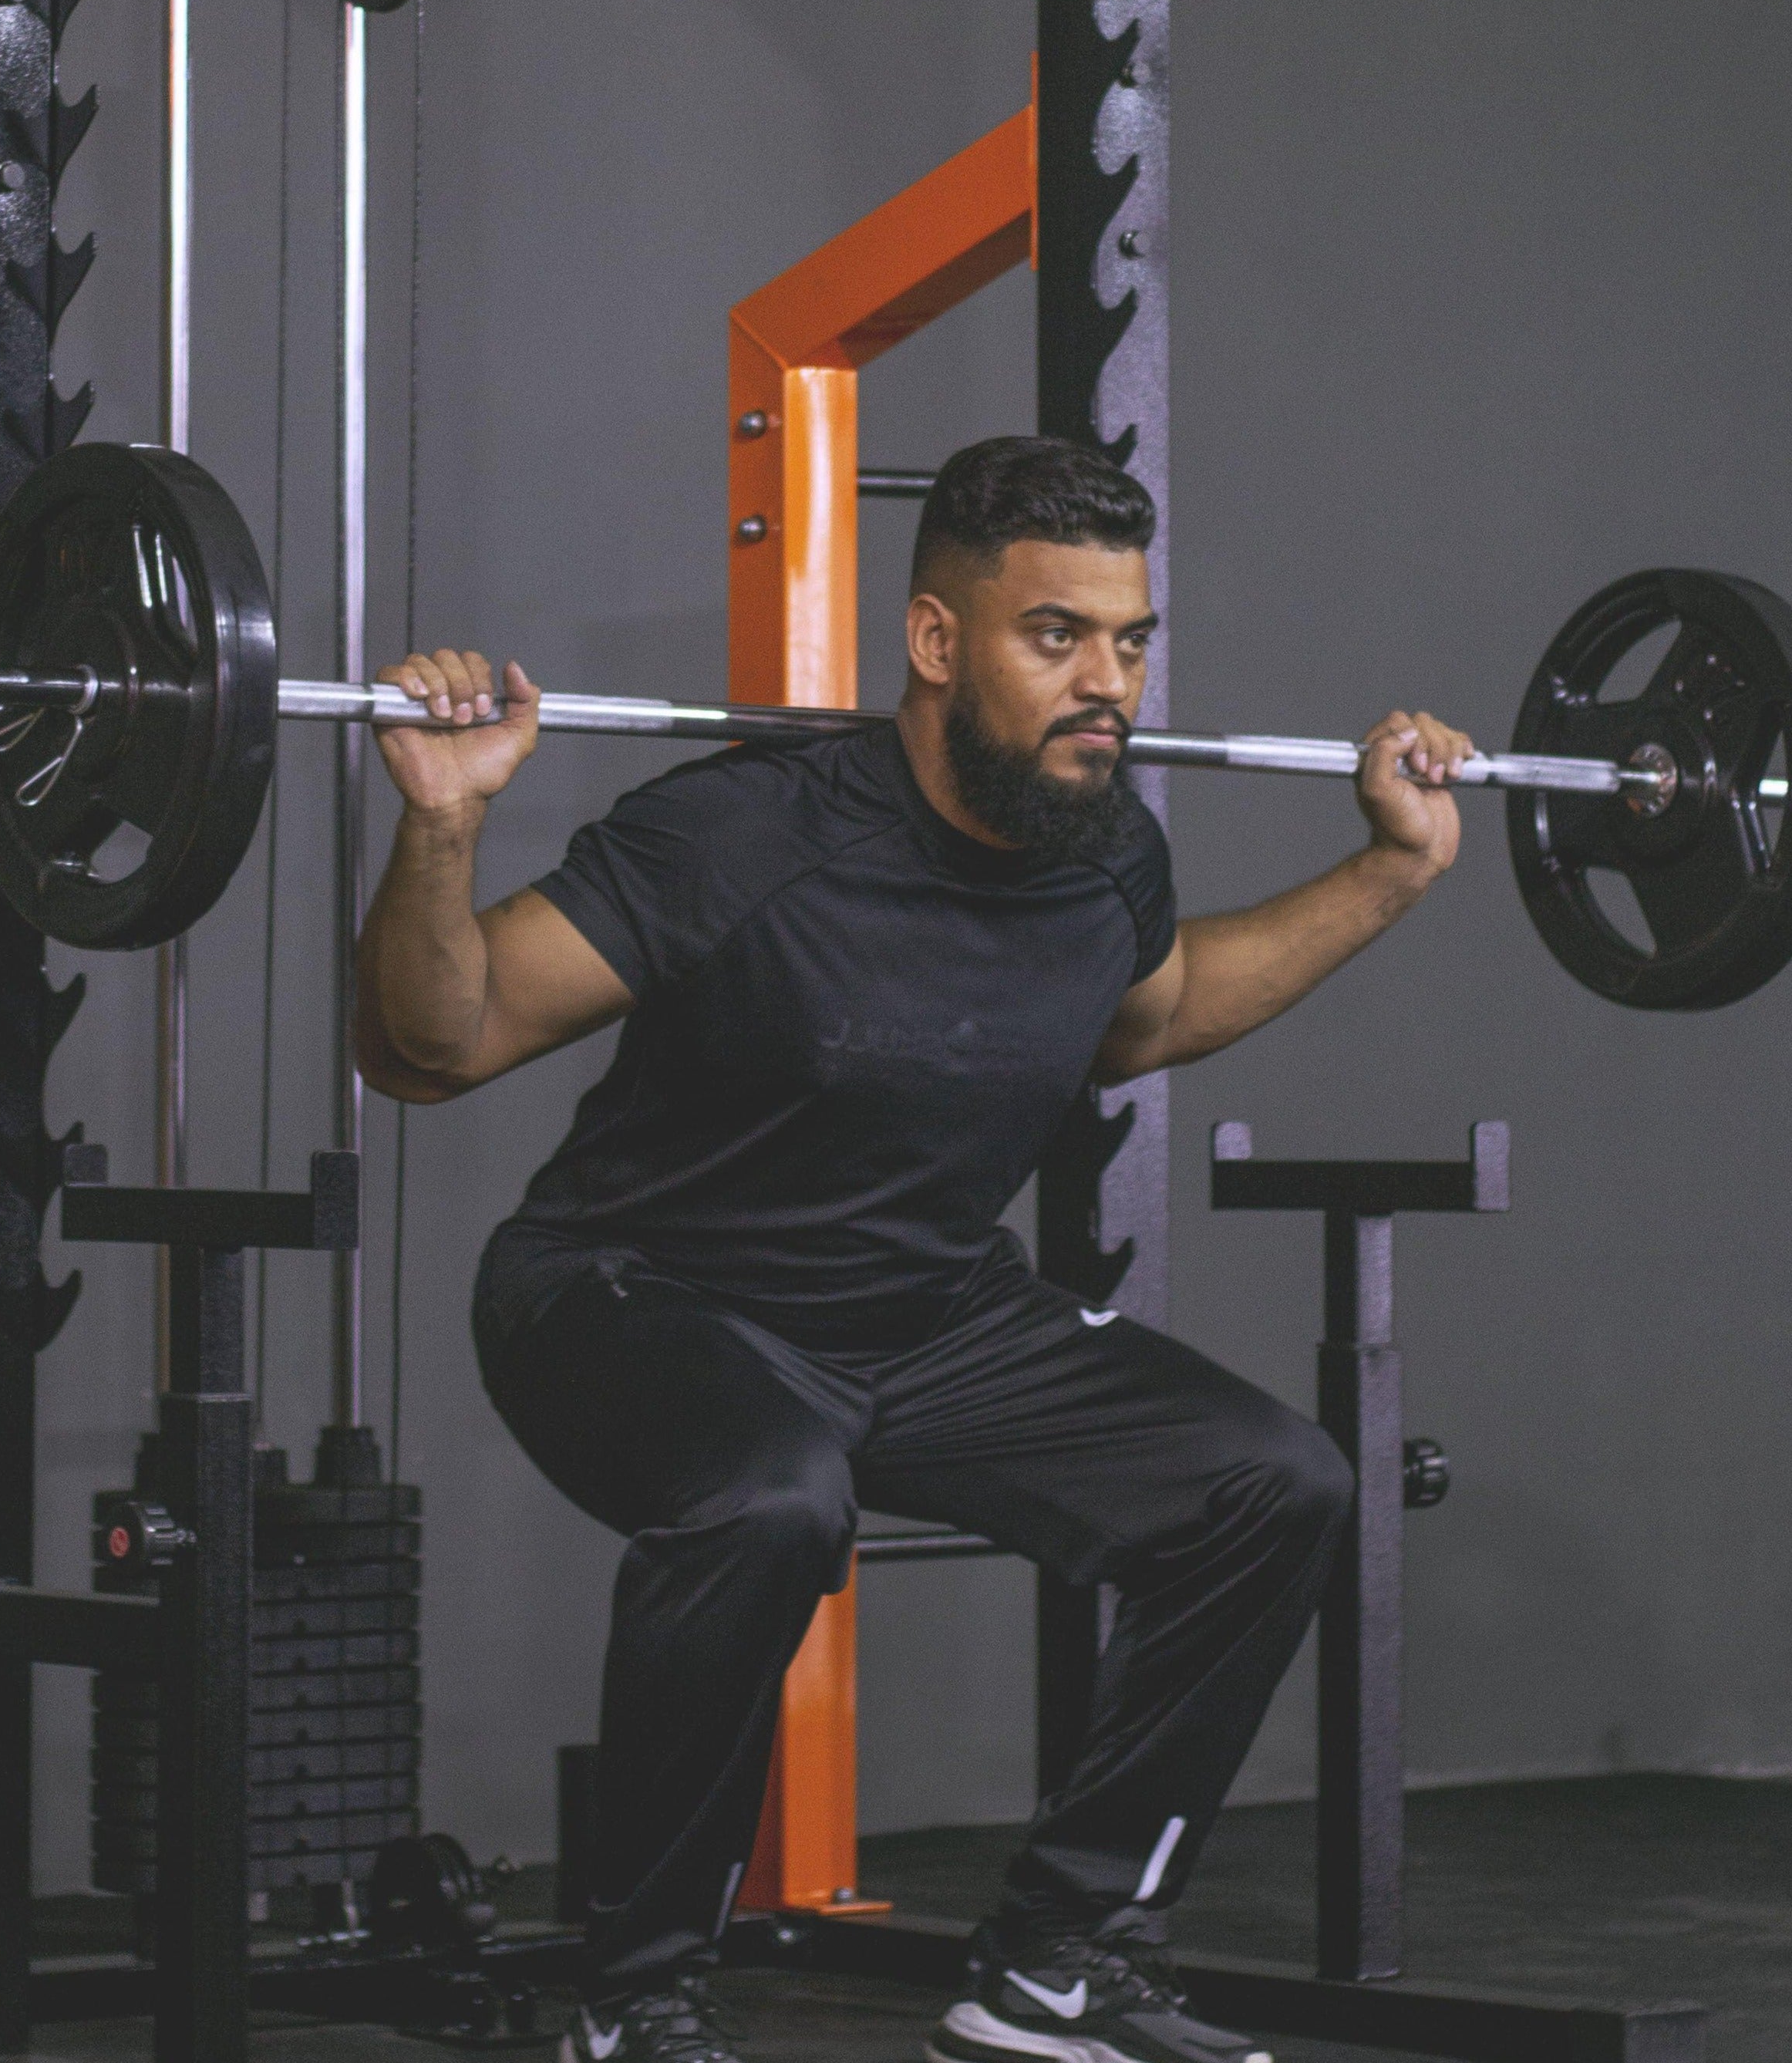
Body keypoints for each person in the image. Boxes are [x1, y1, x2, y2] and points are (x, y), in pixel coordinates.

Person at [355, 437, 1476, 2063]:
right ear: (937, 640)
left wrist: (1391, 869)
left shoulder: (1106, 846)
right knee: (770, 1491)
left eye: (1131, 639)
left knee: (1273, 1479)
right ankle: (636, 1998)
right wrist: (443, 826)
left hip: (924, 1316)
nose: (1109, 684)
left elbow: (1145, 1019)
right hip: (631, 1292)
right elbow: (427, 1048)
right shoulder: (738, 836)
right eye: (1057, 637)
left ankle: (1056, 1961)